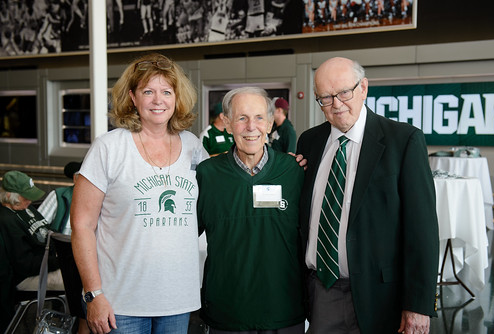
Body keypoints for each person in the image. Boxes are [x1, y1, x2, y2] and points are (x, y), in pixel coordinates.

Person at [296, 57, 439, 334]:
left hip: (381, 297)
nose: (336, 104)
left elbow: (422, 231)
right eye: (325, 98)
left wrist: (418, 305)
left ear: (363, 88)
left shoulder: (403, 141)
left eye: (344, 93)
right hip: (321, 290)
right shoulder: (309, 141)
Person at [71, 53, 208, 334]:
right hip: (120, 304)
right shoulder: (109, 148)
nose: (158, 100)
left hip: (177, 301)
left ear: (177, 97)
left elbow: (224, 189)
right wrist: (93, 295)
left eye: (166, 92)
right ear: (133, 97)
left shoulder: (194, 147)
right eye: (148, 91)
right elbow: (82, 225)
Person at [197, 86, 306, 333]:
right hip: (227, 314)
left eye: (259, 118)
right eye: (241, 118)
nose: (251, 127)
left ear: (270, 124)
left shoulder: (295, 172)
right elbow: (180, 239)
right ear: (226, 122)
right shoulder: (207, 175)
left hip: (284, 313)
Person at [0, 170, 61, 332]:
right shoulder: (7, 220)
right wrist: (60, 261)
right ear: (9, 196)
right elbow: (24, 264)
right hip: (33, 273)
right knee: (78, 281)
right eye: (25, 196)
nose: (30, 200)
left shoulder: (25, 208)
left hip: (49, 261)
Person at [38, 161, 90, 334]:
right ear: (75, 178)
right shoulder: (59, 195)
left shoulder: (98, 197)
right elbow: (40, 226)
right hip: (61, 255)